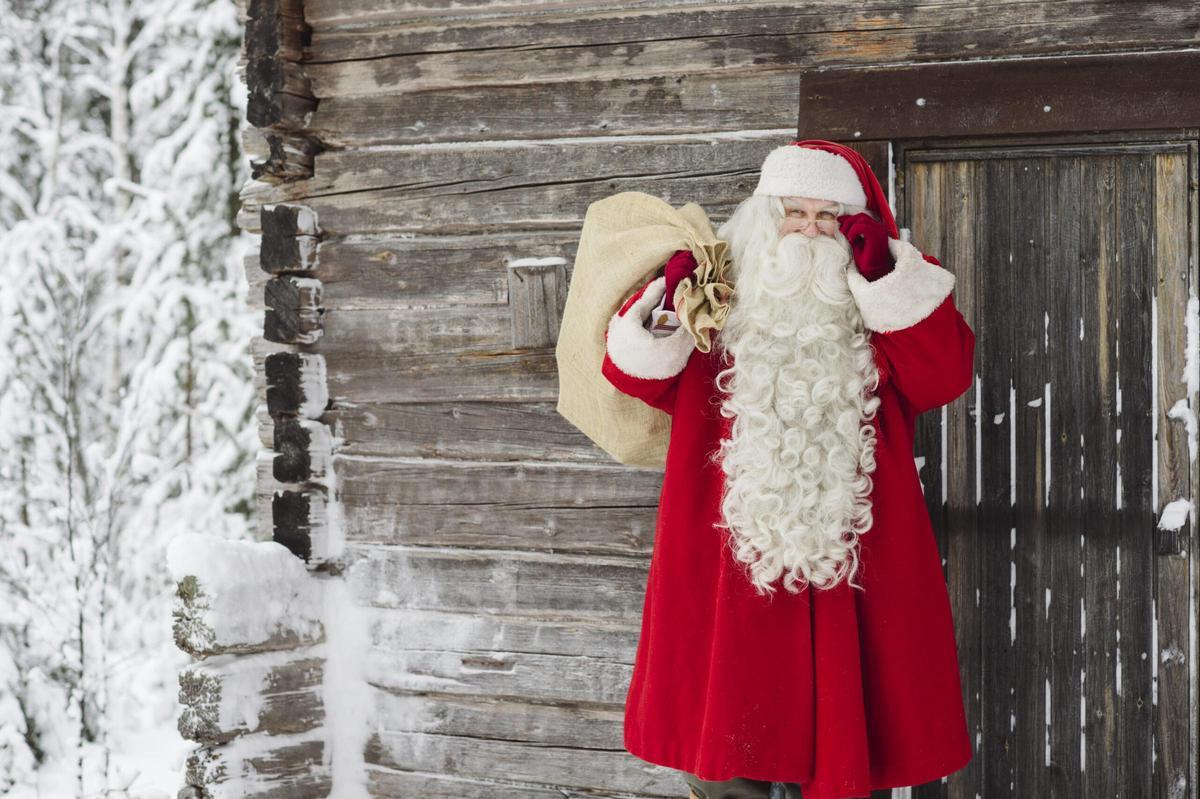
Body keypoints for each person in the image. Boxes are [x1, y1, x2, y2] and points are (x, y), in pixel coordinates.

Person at [600, 140, 976, 799]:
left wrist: (886, 275)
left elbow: (944, 375)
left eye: (828, 216)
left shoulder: (881, 311)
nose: (809, 229)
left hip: (849, 574)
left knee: (842, 751)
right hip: (726, 570)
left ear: (854, 231)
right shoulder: (718, 306)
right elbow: (639, 376)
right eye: (794, 212)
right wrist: (669, 303)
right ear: (764, 219)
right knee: (726, 756)